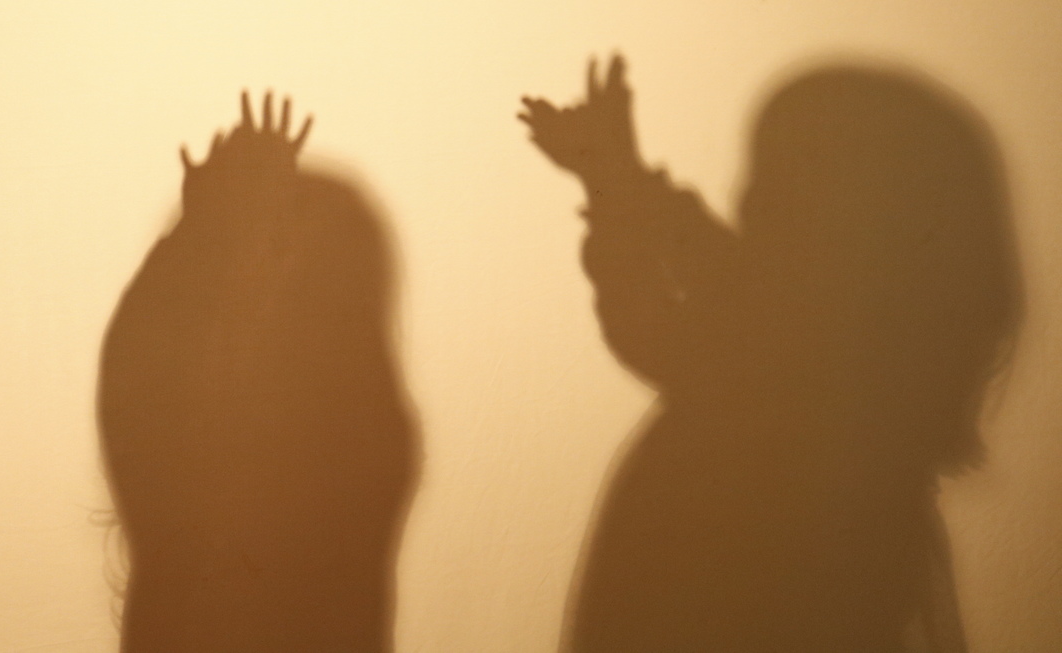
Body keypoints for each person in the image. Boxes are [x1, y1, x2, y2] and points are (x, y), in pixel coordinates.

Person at [520, 57, 1022, 653]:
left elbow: (668, 313)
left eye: (775, 188)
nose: (744, 204)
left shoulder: (770, 423)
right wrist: (618, 178)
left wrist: (616, 182)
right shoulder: (844, 402)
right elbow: (723, 277)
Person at [99, 93, 418, 652]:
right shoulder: (367, 430)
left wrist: (204, 235)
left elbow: (141, 381)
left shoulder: (341, 431)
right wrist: (207, 235)